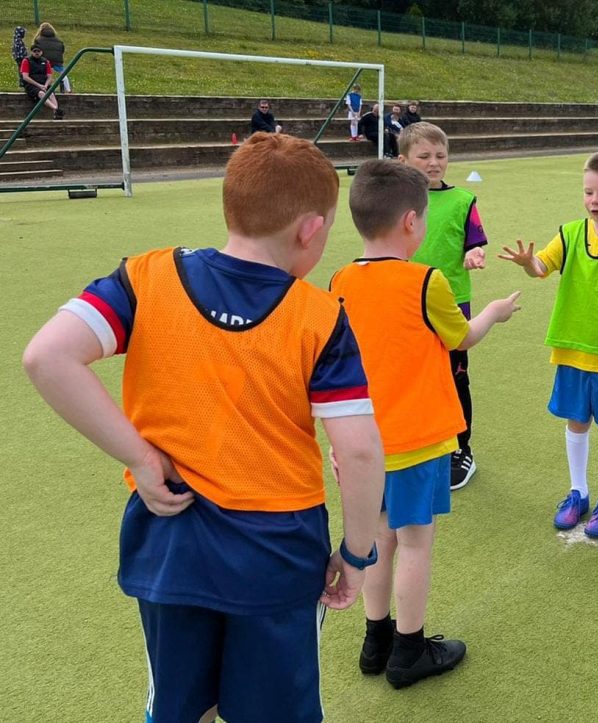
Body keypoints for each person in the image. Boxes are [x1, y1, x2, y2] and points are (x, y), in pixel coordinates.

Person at [22, 132, 385, 722]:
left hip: (169, 545)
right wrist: (358, 550)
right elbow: (361, 452)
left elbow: (46, 357)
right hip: (278, 552)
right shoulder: (320, 317)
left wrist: (141, 459)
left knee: (179, 707)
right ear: (311, 230)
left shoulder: (145, 277)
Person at [329, 160, 520, 688]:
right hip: (415, 440)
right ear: (412, 222)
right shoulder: (426, 281)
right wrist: (496, 313)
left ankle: (377, 640)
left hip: (362, 442)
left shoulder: (339, 280)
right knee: (414, 540)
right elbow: (461, 337)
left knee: (376, 540)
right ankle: (409, 650)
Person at [499, 149, 598, 538]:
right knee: (576, 420)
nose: (594, 201)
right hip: (571, 348)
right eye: (589, 192)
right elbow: (542, 268)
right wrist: (527, 263)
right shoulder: (570, 233)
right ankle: (578, 493)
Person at [398, 122, 488, 489]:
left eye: (440, 155)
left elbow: (474, 241)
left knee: (454, 376)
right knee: (410, 373)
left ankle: (460, 449)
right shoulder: (396, 201)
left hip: (450, 303)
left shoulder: (463, 201)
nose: (434, 163)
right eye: (424, 156)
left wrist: (475, 252)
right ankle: (417, 442)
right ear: (403, 160)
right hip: (403, 299)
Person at [20, 44, 61, 119]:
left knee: (51, 94)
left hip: (44, 84)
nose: (36, 53)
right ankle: (56, 109)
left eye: (38, 51)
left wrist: (45, 85)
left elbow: (49, 76)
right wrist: (39, 85)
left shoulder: (46, 62)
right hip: (31, 85)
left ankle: (56, 114)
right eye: (34, 51)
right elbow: (25, 77)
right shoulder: (26, 61)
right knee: (41, 93)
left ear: (41, 52)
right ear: (31, 52)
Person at [33, 22, 70, 93]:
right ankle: (68, 89)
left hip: (44, 60)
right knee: (63, 74)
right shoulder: (59, 41)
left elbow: (35, 50)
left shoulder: (38, 40)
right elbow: (62, 49)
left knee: (45, 73)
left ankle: (44, 87)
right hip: (57, 60)